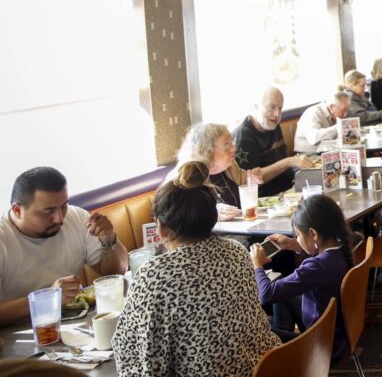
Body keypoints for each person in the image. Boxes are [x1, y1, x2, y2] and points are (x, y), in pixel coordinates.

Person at [113, 161, 280, 376]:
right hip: (264, 368)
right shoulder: (236, 251)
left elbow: (140, 357)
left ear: (161, 227)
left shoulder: (154, 275)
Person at [0, 167, 128, 326]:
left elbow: (116, 274)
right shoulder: (3, 239)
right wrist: (48, 298)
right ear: (18, 210)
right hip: (18, 335)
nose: (59, 219)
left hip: (75, 324)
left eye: (63, 206)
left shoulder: (78, 218)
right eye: (48, 211)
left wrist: (108, 238)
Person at [250, 195, 354, 363]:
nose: (297, 238)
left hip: (323, 345)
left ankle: (286, 352)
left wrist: (258, 265)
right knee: (282, 294)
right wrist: (296, 245)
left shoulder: (316, 267)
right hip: (337, 332)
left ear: (313, 233)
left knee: (259, 332)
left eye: (298, 234)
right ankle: (287, 352)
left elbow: (266, 294)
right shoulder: (341, 248)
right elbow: (319, 262)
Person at [234, 87, 314, 197]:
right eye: (272, 107)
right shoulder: (244, 136)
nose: (277, 114)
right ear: (256, 106)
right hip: (267, 197)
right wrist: (289, 161)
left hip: (289, 188)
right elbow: (251, 180)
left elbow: (284, 161)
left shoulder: (274, 126)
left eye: (280, 108)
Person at [294, 89, 352, 154]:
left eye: (347, 110)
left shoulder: (335, 114)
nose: (345, 114)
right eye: (343, 110)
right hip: (307, 154)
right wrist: (339, 127)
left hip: (326, 151)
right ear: (331, 107)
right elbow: (313, 138)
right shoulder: (313, 112)